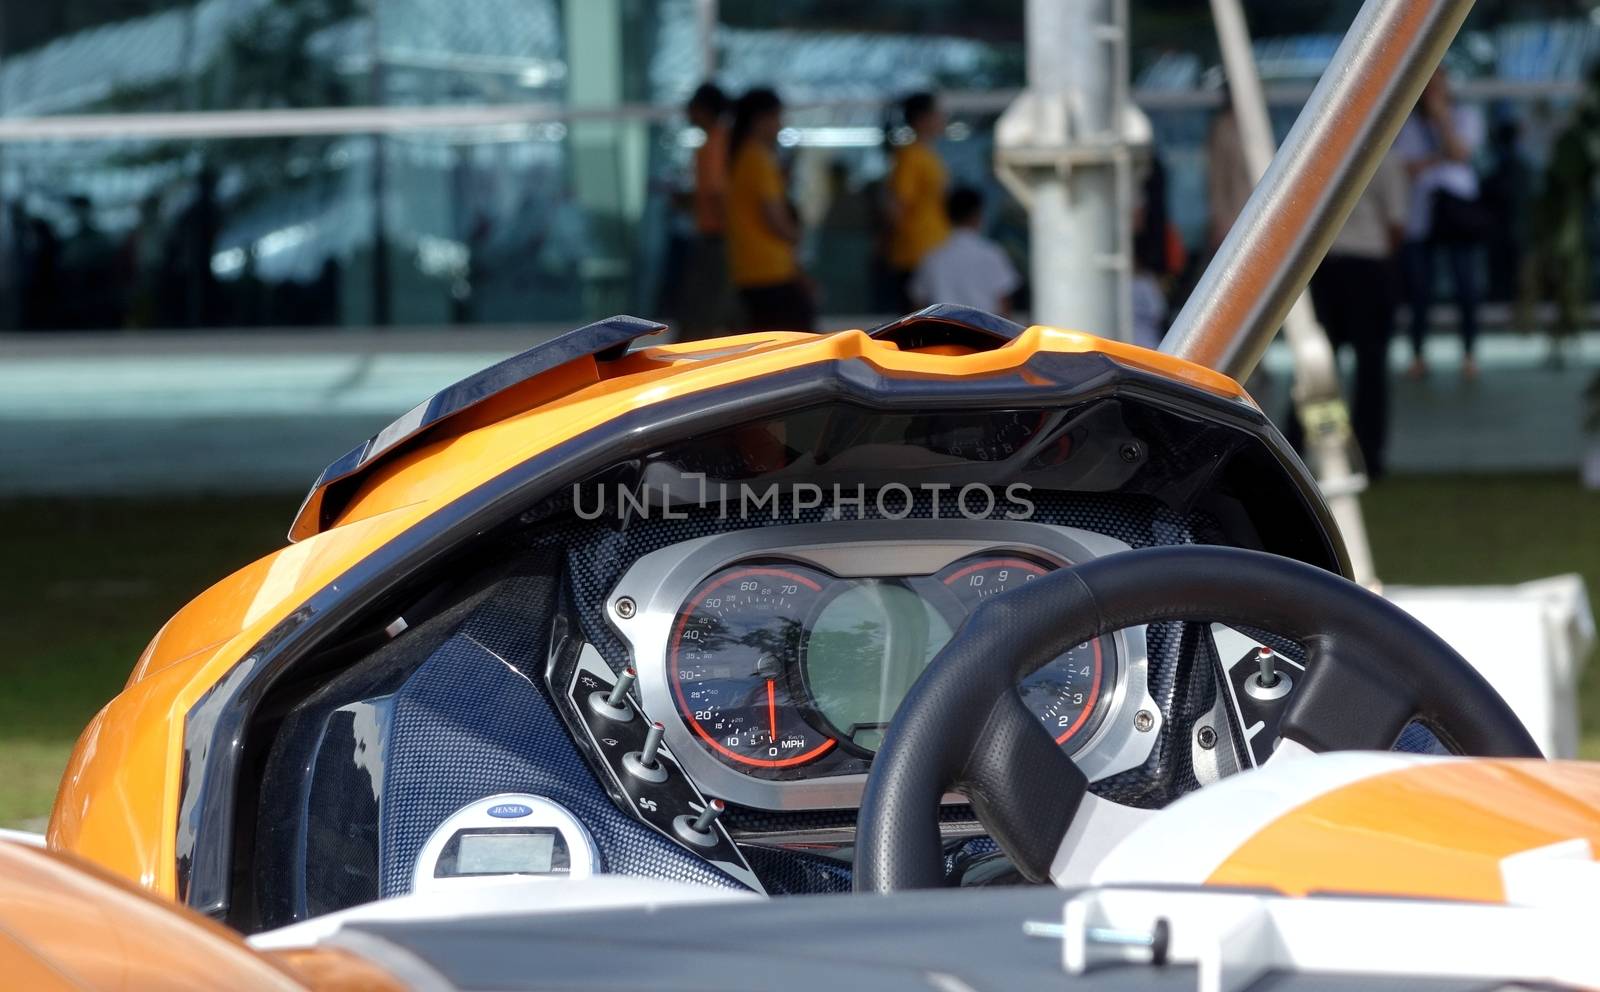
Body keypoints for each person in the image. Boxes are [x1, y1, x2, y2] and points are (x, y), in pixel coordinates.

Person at [1300, 154, 1409, 479]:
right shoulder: (1384, 157)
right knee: (1370, 369)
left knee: (1321, 367)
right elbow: (1397, 223)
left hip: (1329, 266)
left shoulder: (1329, 153)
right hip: (1368, 265)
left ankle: (1320, 449)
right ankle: (1367, 456)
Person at [1394, 69, 1486, 380]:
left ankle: (1469, 353)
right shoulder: (1408, 122)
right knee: (1419, 290)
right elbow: (1407, 166)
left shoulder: (1465, 115)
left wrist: (1441, 118)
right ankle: (1418, 355)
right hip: (1422, 215)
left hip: (1457, 215)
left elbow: (1461, 152)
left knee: (1466, 286)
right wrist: (1442, 155)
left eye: (1438, 83)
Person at [725, 87, 814, 331]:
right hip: (770, 270)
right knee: (794, 345)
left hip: (751, 267)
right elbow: (773, 216)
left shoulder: (742, 156)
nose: (780, 125)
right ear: (759, 120)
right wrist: (796, 235)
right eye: (776, 117)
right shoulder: (758, 159)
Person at [908, 186, 1019, 316]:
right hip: (984, 331)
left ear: (947, 216)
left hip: (942, 331)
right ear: (978, 214)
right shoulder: (992, 253)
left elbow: (917, 304)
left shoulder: (932, 257)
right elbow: (1004, 303)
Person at [886, 91, 949, 310]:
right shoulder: (911, 156)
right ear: (923, 118)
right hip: (915, 254)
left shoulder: (928, 154)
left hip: (932, 251)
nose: (943, 118)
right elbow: (897, 206)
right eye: (937, 113)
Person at [679, 83, 732, 340]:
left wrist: (731, 234)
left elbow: (716, 194)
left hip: (717, 239)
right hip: (715, 236)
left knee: (704, 308)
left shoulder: (716, 144)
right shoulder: (718, 142)